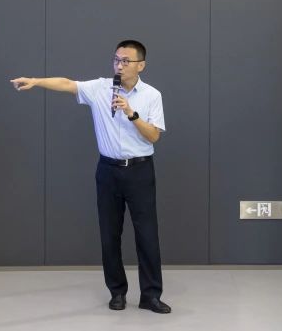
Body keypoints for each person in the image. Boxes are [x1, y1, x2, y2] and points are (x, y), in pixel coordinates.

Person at [10, 40, 170, 313]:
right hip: (108, 171)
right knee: (109, 234)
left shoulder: (152, 95)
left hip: (140, 171)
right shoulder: (100, 88)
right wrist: (36, 81)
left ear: (141, 65)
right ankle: (117, 292)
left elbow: (154, 135)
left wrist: (131, 113)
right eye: (116, 59)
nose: (119, 65)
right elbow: (67, 84)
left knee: (147, 235)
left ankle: (151, 295)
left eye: (126, 61)